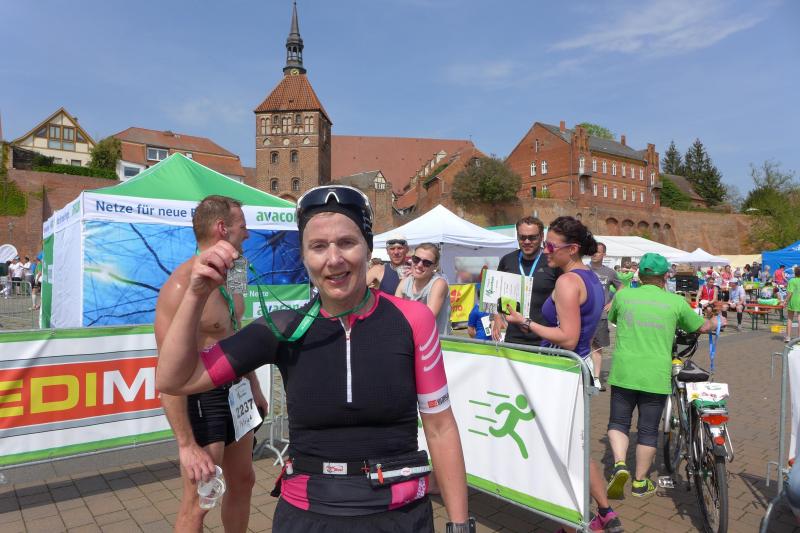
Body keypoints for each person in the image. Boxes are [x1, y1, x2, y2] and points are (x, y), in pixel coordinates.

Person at [156, 185, 471, 533]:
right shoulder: (282, 327)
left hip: (400, 516)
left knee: (242, 480)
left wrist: (460, 525)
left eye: (347, 243)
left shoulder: (413, 320)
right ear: (304, 257)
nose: (333, 259)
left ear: (368, 248)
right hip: (308, 516)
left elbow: (440, 428)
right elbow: (173, 380)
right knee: (201, 497)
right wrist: (196, 294)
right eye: (318, 246)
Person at [154, 195, 269, 533]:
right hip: (203, 396)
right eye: (242, 226)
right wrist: (186, 445)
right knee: (200, 500)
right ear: (223, 228)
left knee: (244, 481)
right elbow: (167, 375)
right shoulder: (182, 286)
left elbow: (235, 330)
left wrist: (253, 386)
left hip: (237, 389)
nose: (247, 234)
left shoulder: (237, 269)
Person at [504, 216, 621, 533]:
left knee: (562, 452)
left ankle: (574, 524)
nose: (545, 250)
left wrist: (526, 322)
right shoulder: (591, 277)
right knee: (577, 446)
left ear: (571, 249)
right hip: (575, 367)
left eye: (550, 246)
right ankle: (605, 513)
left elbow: (568, 337)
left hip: (562, 371)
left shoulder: (568, 282)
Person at [605, 253, 725, 500]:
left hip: (624, 370)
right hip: (656, 374)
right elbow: (701, 326)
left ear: (639, 274)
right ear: (665, 276)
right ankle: (640, 482)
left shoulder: (624, 296)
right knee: (648, 430)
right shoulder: (675, 302)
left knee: (618, 422)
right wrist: (716, 321)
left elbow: (613, 318)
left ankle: (619, 464)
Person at [491, 216, 561, 345]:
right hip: (514, 338)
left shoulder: (552, 261)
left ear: (541, 237)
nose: (527, 241)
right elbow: (496, 293)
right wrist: (497, 317)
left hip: (545, 339)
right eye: (522, 237)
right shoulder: (507, 260)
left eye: (532, 237)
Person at [396, 243, 452, 335]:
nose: (419, 265)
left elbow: (427, 318)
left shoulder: (439, 284)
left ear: (435, 266)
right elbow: (394, 312)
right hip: (409, 338)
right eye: (416, 259)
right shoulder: (404, 282)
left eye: (426, 263)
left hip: (435, 341)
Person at [589, 242, 622, 391]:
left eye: (597, 251)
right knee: (582, 346)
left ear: (604, 255)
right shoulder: (584, 269)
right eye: (592, 251)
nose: (594, 253)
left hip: (600, 315)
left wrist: (612, 303)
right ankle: (584, 376)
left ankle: (596, 378)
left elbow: (621, 287)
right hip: (583, 314)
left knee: (597, 347)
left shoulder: (610, 272)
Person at [787, 266, 800, 342]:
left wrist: (785, 301)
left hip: (792, 300)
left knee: (790, 319)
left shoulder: (791, 280)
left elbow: (790, 293)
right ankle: (799, 338)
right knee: (799, 319)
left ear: (795, 273)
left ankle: (788, 337)